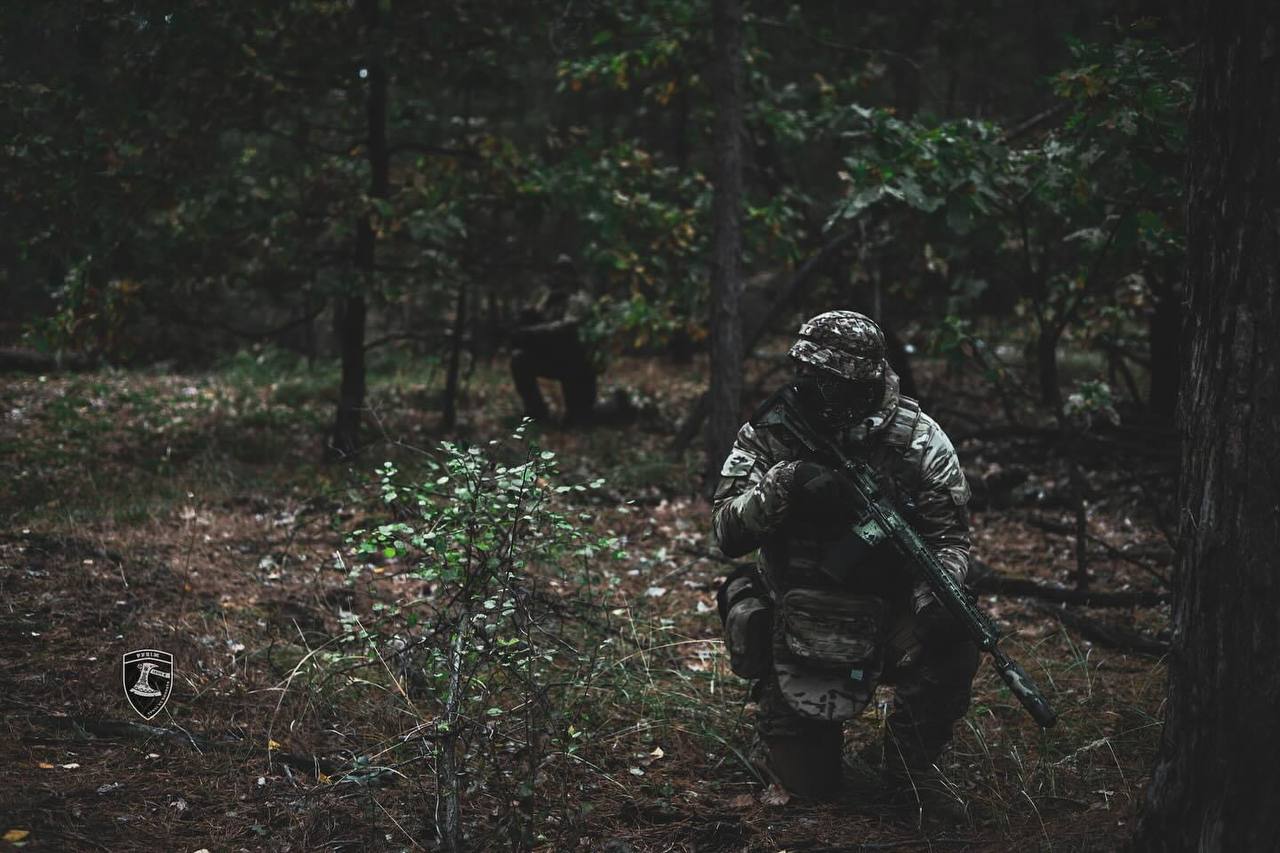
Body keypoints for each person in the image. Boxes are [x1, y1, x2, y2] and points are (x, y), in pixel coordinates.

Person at [711, 310, 977, 827]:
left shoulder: (919, 440)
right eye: (807, 370)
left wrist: (935, 594)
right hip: (799, 615)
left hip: (886, 613)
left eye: (829, 377)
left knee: (957, 634)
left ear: (866, 378)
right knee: (809, 789)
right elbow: (726, 531)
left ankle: (909, 769)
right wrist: (784, 484)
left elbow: (951, 540)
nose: (813, 384)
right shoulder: (773, 432)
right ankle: (788, 720)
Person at [509, 255, 598, 426]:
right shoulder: (549, 298)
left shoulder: (578, 298)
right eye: (556, 273)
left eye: (563, 273)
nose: (558, 277)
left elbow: (566, 329)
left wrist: (529, 332)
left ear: (572, 276)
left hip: (578, 364)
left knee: (580, 419)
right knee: (519, 360)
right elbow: (531, 317)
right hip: (557, 358)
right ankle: (536, 411)